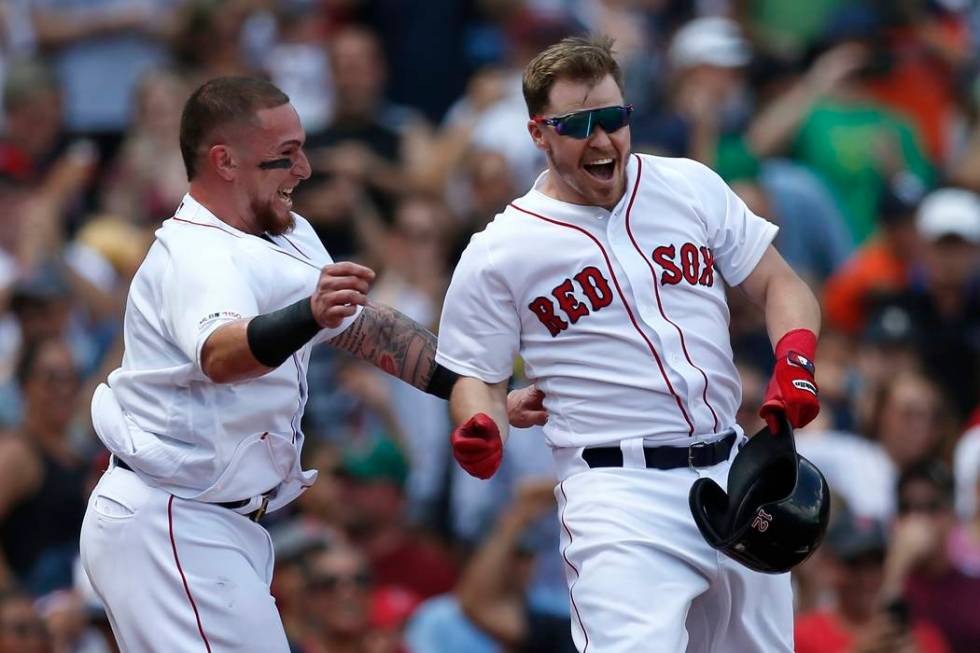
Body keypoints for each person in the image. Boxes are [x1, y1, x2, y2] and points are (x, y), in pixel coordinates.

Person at [77, 76, 545, 653]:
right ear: (225, 161)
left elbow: (370, 329)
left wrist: (482, 391)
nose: (303, 169)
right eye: (285, 156)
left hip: (211, 522)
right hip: (172, 520)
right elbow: (222, 353)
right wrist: (309, 314)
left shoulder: (287, 230)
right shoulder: (196, 254)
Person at [436, 36, 822, 652]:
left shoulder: (688, 185)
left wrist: (795, 359)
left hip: (733, 471)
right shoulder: (500, 248)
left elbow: (780, 282)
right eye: (577, 124)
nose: (601, 139)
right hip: (620, 494)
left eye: (613, 118)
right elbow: (475, 377)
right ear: (539, 133)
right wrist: (482, 424)